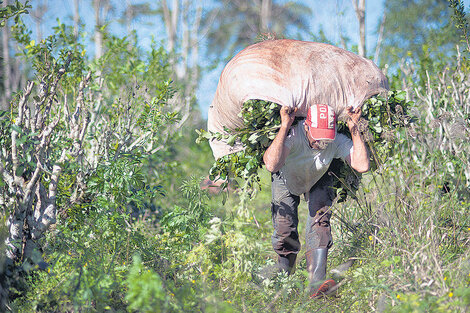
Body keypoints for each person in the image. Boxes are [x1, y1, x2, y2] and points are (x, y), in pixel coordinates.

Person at [263, 104, 370, 298]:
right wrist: (284, 126)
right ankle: (283, 282)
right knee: (284, 230)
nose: (321, 143)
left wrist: (354, 128)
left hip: (318, 177)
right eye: (317, 136)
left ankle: (317, 286)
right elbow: (271, 164)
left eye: (325, 138)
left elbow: (361, 165)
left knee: (321, 223)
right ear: (306, 127)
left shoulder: (335, 140)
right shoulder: (294, 135)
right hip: (286, 178)